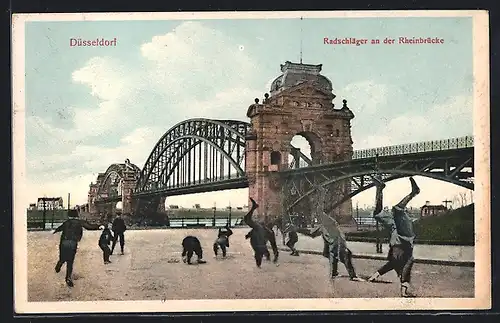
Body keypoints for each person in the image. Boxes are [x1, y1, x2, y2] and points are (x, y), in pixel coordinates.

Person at [297, 186, 364, 281]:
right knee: (335, 254)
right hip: (335, 242)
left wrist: (321, 194)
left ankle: (346, 275)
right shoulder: (323, 224)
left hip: (337, 241)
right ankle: (341, 274)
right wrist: (297, 229)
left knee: (340, 255)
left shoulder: (326, 220)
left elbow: (318, 211)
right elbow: (312, 234)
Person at [367, 176, 419, 298]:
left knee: (395, 210)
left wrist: (376, 275)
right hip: (404, 234)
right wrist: (376, 275)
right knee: (379, 213)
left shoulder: (400, 258)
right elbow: (391, 265)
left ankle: (413, 192)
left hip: (403, 235)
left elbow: (391, 265)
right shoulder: (405, 259)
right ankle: (380, 189)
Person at [53, 209, 101, 287]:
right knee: (70, 261)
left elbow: (58, 229)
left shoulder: (66, 223)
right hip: (73, 243)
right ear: (77, 215)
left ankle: (59, 264)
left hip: (64, 242)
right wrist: (99, 226)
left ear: (69, 216)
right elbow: (89, 226)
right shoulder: (80, 222)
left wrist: (54, 231)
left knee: (62, 257)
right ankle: (68, 277)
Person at [244, 198, 279, 268]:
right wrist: (275, 256)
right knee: (261, 248)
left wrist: (276, 256)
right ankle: (266, 256)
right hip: (259, 240)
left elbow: (274, 246)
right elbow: (274, 246)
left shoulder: (267, 232)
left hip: (259, 241)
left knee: (247, 219)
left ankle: (254, 207)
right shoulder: (267, 231)